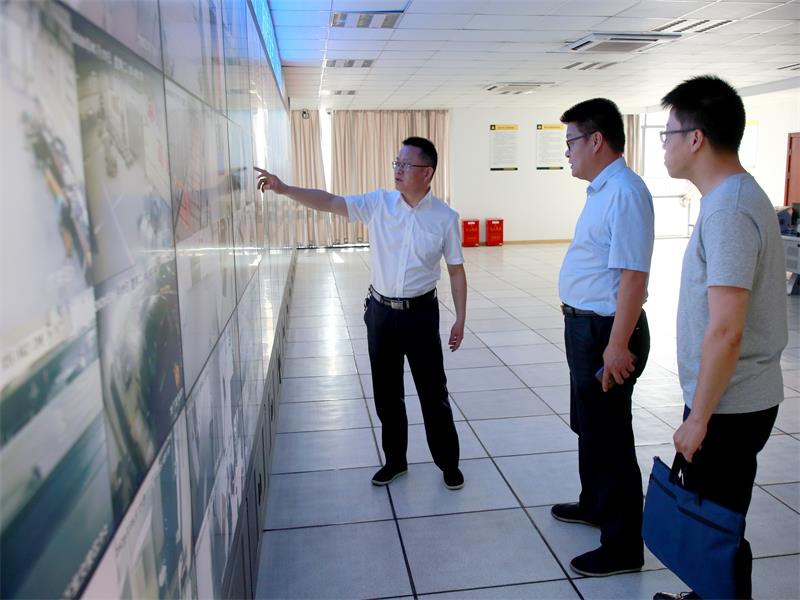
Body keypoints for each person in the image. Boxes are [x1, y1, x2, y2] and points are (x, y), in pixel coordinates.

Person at [255, 136, 467, 490]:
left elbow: (456, 270)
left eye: (406, 164)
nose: (398, 170)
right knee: (386, 393)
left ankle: (448, 463)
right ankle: (395, 461)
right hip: (381, 314)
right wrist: (285, 188)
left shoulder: (445, 218)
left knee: (433, 393)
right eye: (396, 163)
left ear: (426, 172)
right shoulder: (379, 204)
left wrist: (460, 317)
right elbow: (330, 201)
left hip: (421, 315)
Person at [652, 76, 787, 600]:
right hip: (732, 399)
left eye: (668, 134)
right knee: (716, 516)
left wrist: (699, 418)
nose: (664, 144)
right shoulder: (730, 198)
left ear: (696, 138)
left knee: (718, 527)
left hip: (730, 406)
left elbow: (727, 329)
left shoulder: (730, 208)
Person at [553, 98, 655, 577]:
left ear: (596, 140)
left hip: (608, 332)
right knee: (590, 425)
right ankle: (595, 503)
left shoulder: (626, 192)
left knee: (610, 436)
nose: (567, 152)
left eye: (571, 141)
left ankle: (623, 545)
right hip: (586, 327)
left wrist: (617, 345)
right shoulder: (602, 190)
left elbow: (633, 276)